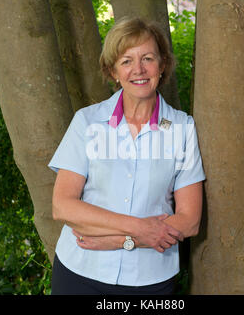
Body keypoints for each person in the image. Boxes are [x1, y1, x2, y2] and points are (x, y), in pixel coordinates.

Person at [48, 17, 205, 295]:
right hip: (79, 272)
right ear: (112, 71)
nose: (139, 70)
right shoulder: (87, 122)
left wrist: (119, 241)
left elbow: (190, 220)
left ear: (163, 64)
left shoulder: (183, 128)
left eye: (148, 58)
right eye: (126, 61)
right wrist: (138, 229)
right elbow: (63, 206)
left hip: (149, 282)